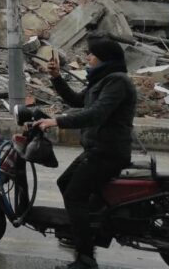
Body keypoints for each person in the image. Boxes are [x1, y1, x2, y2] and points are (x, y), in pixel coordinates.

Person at [34, 36, 136, 269]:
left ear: (103, 58)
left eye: (91, 54)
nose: (87, 58)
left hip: (108, 152)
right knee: (65, 182)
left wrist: (57, 121)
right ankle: (85, 230)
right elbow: (78, 101)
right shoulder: (102, 81)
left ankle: (85, 258)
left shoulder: (118, 82)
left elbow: (96, 114)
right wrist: (56, 77)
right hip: (97, 149)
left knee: (74, 195)